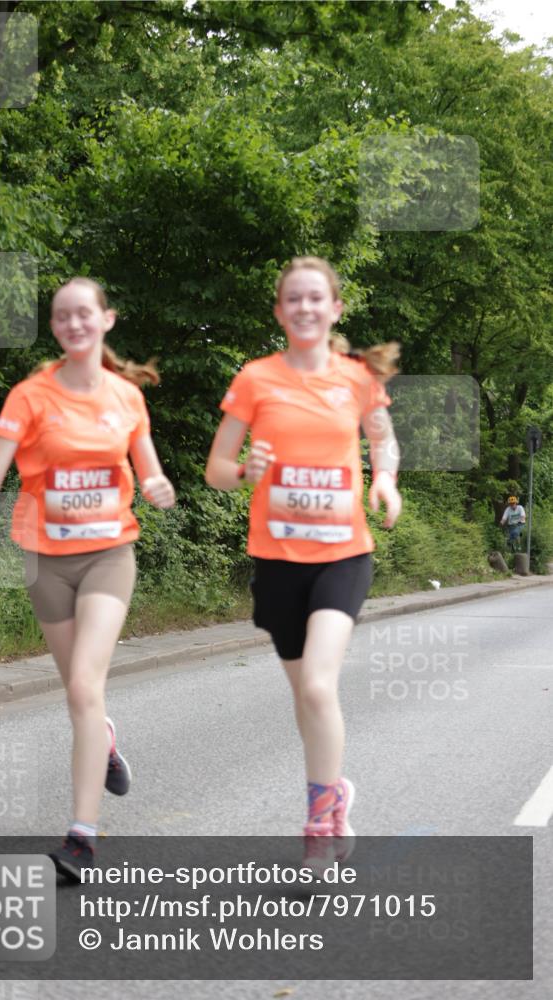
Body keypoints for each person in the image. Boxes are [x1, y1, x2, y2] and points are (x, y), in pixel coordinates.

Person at [0, 276, 175, 880]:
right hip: (44, 560)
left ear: (107, 320)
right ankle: (105, 738)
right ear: (55, 327)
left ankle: (82, 839)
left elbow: (148, 472)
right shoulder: (29, 396)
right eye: (62, 316)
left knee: (80, 685)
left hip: (108, 556)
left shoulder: (127, 398)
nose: (74, 323)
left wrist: (158, 488)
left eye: (85, 314)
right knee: (81, 693)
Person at [205, 256, 401, 865]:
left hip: (344, 554)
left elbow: (382, 436)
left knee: (318, 684)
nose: (306, 308)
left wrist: (385, 480)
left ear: (335, 308)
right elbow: (216, 472)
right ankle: (335, 785)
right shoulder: (256, 379)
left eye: (317, 298)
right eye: (294, 299)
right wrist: (246, 472)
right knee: (305, 694)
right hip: (277, 559)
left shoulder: (358, 378)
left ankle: (321, 821)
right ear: (280, 312)